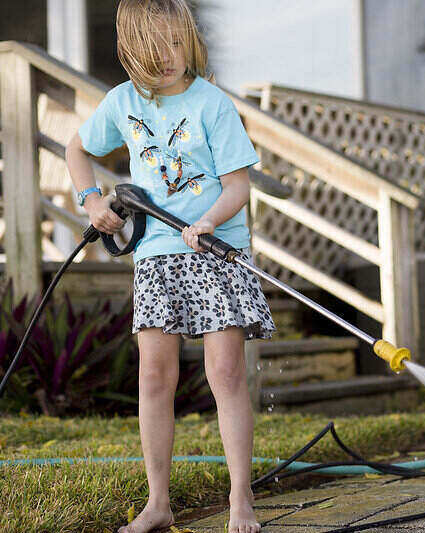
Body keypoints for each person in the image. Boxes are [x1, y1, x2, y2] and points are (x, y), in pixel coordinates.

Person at [65, 1, 275, 532]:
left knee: (224, 374)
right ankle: (158, 504)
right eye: (154, 49)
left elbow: (238, 187)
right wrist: (91, 200)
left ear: (189, 41)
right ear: (133, 51)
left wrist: (206, 221)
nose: (167, 58)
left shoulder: (213, 104)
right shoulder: (121, 103)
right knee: (154, 376)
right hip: (156, 258)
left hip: (215, 254)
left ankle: (241, 501)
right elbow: (76, 148)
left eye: (175, 45)